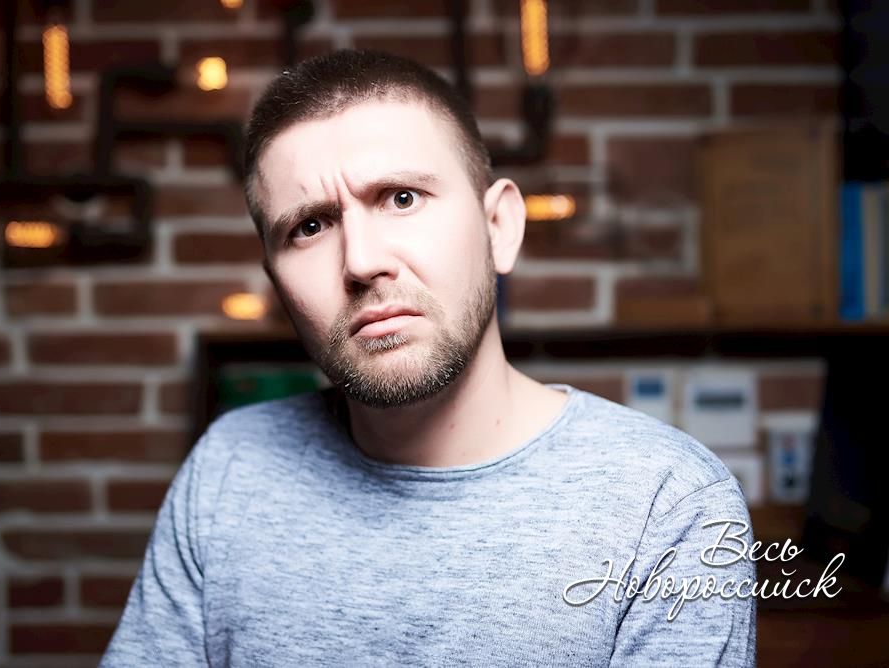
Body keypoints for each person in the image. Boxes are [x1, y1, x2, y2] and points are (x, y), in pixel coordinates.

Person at [101, 49, 757, 666]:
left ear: (499, 228)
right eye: (310, 226)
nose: (362, 261)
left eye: (401, 198)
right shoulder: (228, 473)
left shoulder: (666, 504)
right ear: (276, 281)